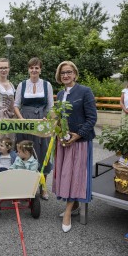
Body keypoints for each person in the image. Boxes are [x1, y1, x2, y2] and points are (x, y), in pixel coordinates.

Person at [52, 61, 97, 232]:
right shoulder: (60, 93)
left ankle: (68, 212)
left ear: (75, 74)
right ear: (59, 75)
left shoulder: (85, 91)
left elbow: (92, 119)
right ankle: (75, 206)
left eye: (69, 72)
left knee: (74, 176)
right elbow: (58, 117)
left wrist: (77, 135)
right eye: (62, 73)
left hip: (79, 142)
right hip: (64, 141)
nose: (65, 75)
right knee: (66, 174)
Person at [14, 57, 54, 200]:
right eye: (32, 68)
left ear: (40, 70)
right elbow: (16, 105)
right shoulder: (22, 85)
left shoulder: (47, 85)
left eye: (37, 68)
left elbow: (51, 106)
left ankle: (43, 187)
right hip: (25, 122)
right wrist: (22, 120)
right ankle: (25, 186)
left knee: (43, 153)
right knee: (25, 152)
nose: (34, 70)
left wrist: (47, 118)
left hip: (41, 122)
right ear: (28, 69)